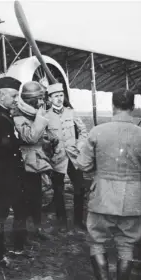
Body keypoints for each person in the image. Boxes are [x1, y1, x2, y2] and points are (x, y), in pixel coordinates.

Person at [77, 89, 141, 280]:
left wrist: (99, 172)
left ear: (113, 106)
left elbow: (83, 164)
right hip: (133, 199)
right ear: (133, 108)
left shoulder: (97, 131)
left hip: (102, 196)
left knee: (97, 242)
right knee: (127, 245)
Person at [0, 76, 31, 268]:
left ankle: (18, 248)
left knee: (20, 211)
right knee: (0, 215)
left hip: (12, 175)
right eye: (13, 96)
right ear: (0, 96)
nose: (16, 100)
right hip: (1, 177)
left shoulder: (5, 115)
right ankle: (0, 254)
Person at [44, 83, 88, 232]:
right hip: (57, 159)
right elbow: (42, 136)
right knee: (58, 190)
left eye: (61, 95)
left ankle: (78, 222)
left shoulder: (71, 112)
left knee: (80, 188)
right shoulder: (45, 116)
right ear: (49, 99)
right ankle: (61, 222)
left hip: (73, 157)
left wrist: (80, 145)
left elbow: (83, 131)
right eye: (55, 96)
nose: (59, 99)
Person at [13, 81, 54, 240]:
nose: (43, 102)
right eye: (40, 98)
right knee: (24, 200)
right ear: (31, 99)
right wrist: (40, 120)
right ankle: (22, 235)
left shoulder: (33, 113)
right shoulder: (18, 115)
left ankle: (37, 229)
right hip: (25, 164)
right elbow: (30, 137)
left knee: (37, 198)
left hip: (35, 161)